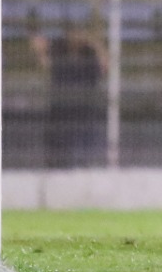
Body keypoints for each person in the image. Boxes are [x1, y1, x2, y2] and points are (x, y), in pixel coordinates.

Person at [31, 28, 108, 168]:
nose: (75, 37)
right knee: (58, 157)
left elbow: (104, 66)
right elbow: (46, 65)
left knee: (84, 157)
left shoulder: (89, 60)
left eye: (78, 33)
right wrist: (40, 50)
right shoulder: (60, 58)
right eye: (72, 34)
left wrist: (94, 42)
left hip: (84, 115)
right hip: (61, 114)